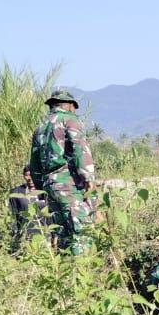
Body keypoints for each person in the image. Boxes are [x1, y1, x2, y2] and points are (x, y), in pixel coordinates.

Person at [29, 88, 96, 255]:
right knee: (80, 230)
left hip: (49, 185)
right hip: (68, 183)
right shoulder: (69, 120)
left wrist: (41, 188)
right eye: (74, 107)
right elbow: (80, 150)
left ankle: (65, 266)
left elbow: (34, 163)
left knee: (62, 232)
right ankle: (81, 266)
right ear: (68, 105)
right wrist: (88, 178)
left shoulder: (40, 128)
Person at [8, 164, 52, 250]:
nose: (30, 178)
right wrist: (15, 235)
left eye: (32, 175)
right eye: (27, 175)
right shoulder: (16, 192)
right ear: (23, 176)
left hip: (46, 235)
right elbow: (13, 214)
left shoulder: (46, 190)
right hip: (27, 237)